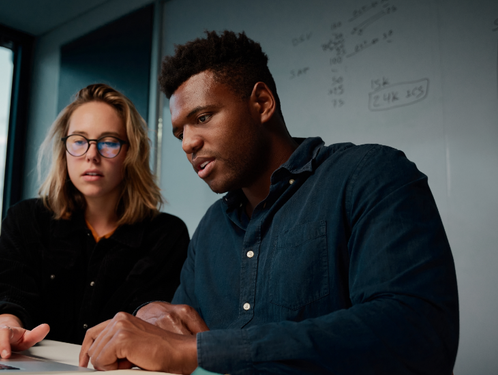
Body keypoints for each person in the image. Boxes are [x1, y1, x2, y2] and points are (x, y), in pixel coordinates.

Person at [79, 31, 459, 374]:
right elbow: (175, 336)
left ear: (261, 102)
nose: (188, 143)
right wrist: (152, 318)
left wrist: (201, 351)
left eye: (204, 117)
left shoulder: (369, 175)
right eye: (180, 132)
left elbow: (417, 334)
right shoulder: (211, 228)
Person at [0, 84, 190, 359]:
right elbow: (8, 292)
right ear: (64, 150)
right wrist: (6, 324)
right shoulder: (25, 219)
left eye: (108, 142)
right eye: (79, 141)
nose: (92, 155)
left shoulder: (167, 234)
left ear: (130, 153)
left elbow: (152, 318)